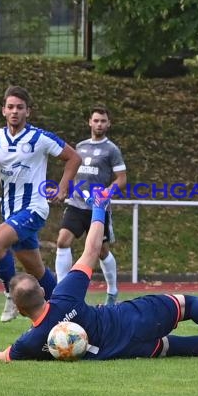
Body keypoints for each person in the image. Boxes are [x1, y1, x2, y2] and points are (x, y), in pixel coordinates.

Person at [0, 189, 198, 361]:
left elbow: (3, 356)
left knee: (174, 348)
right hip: (132, 318)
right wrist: (100, 207)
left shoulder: (33, 340)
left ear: (21, 310)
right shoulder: (64, 296)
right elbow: (91, 250)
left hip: (127, 351)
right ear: (41, 288)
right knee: (187, 304)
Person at [0, 85, 81, 323]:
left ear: (28, 112)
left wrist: (63, 188)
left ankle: (11, 294)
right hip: (10, 214)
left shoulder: (39, 138)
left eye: (20, 107)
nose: (15, 111)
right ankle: (71, 313)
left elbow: (74, 157)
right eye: (10, 107)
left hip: (34, 209)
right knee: (38, 272)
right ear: (3, 110)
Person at [54, 105, 127, 307]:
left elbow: (121, 179)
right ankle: (61, 293)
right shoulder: (80, 146)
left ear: (108, 124)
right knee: (62, 241)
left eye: (103, 121)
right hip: (77, 204)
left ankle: (112, 291)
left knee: (102, 252)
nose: (99, 124)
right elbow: (73, 172)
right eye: (96, 120)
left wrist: (106, 193)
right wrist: (64, 189)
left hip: (98, 208)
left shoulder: (111, 149)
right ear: (89, 122)